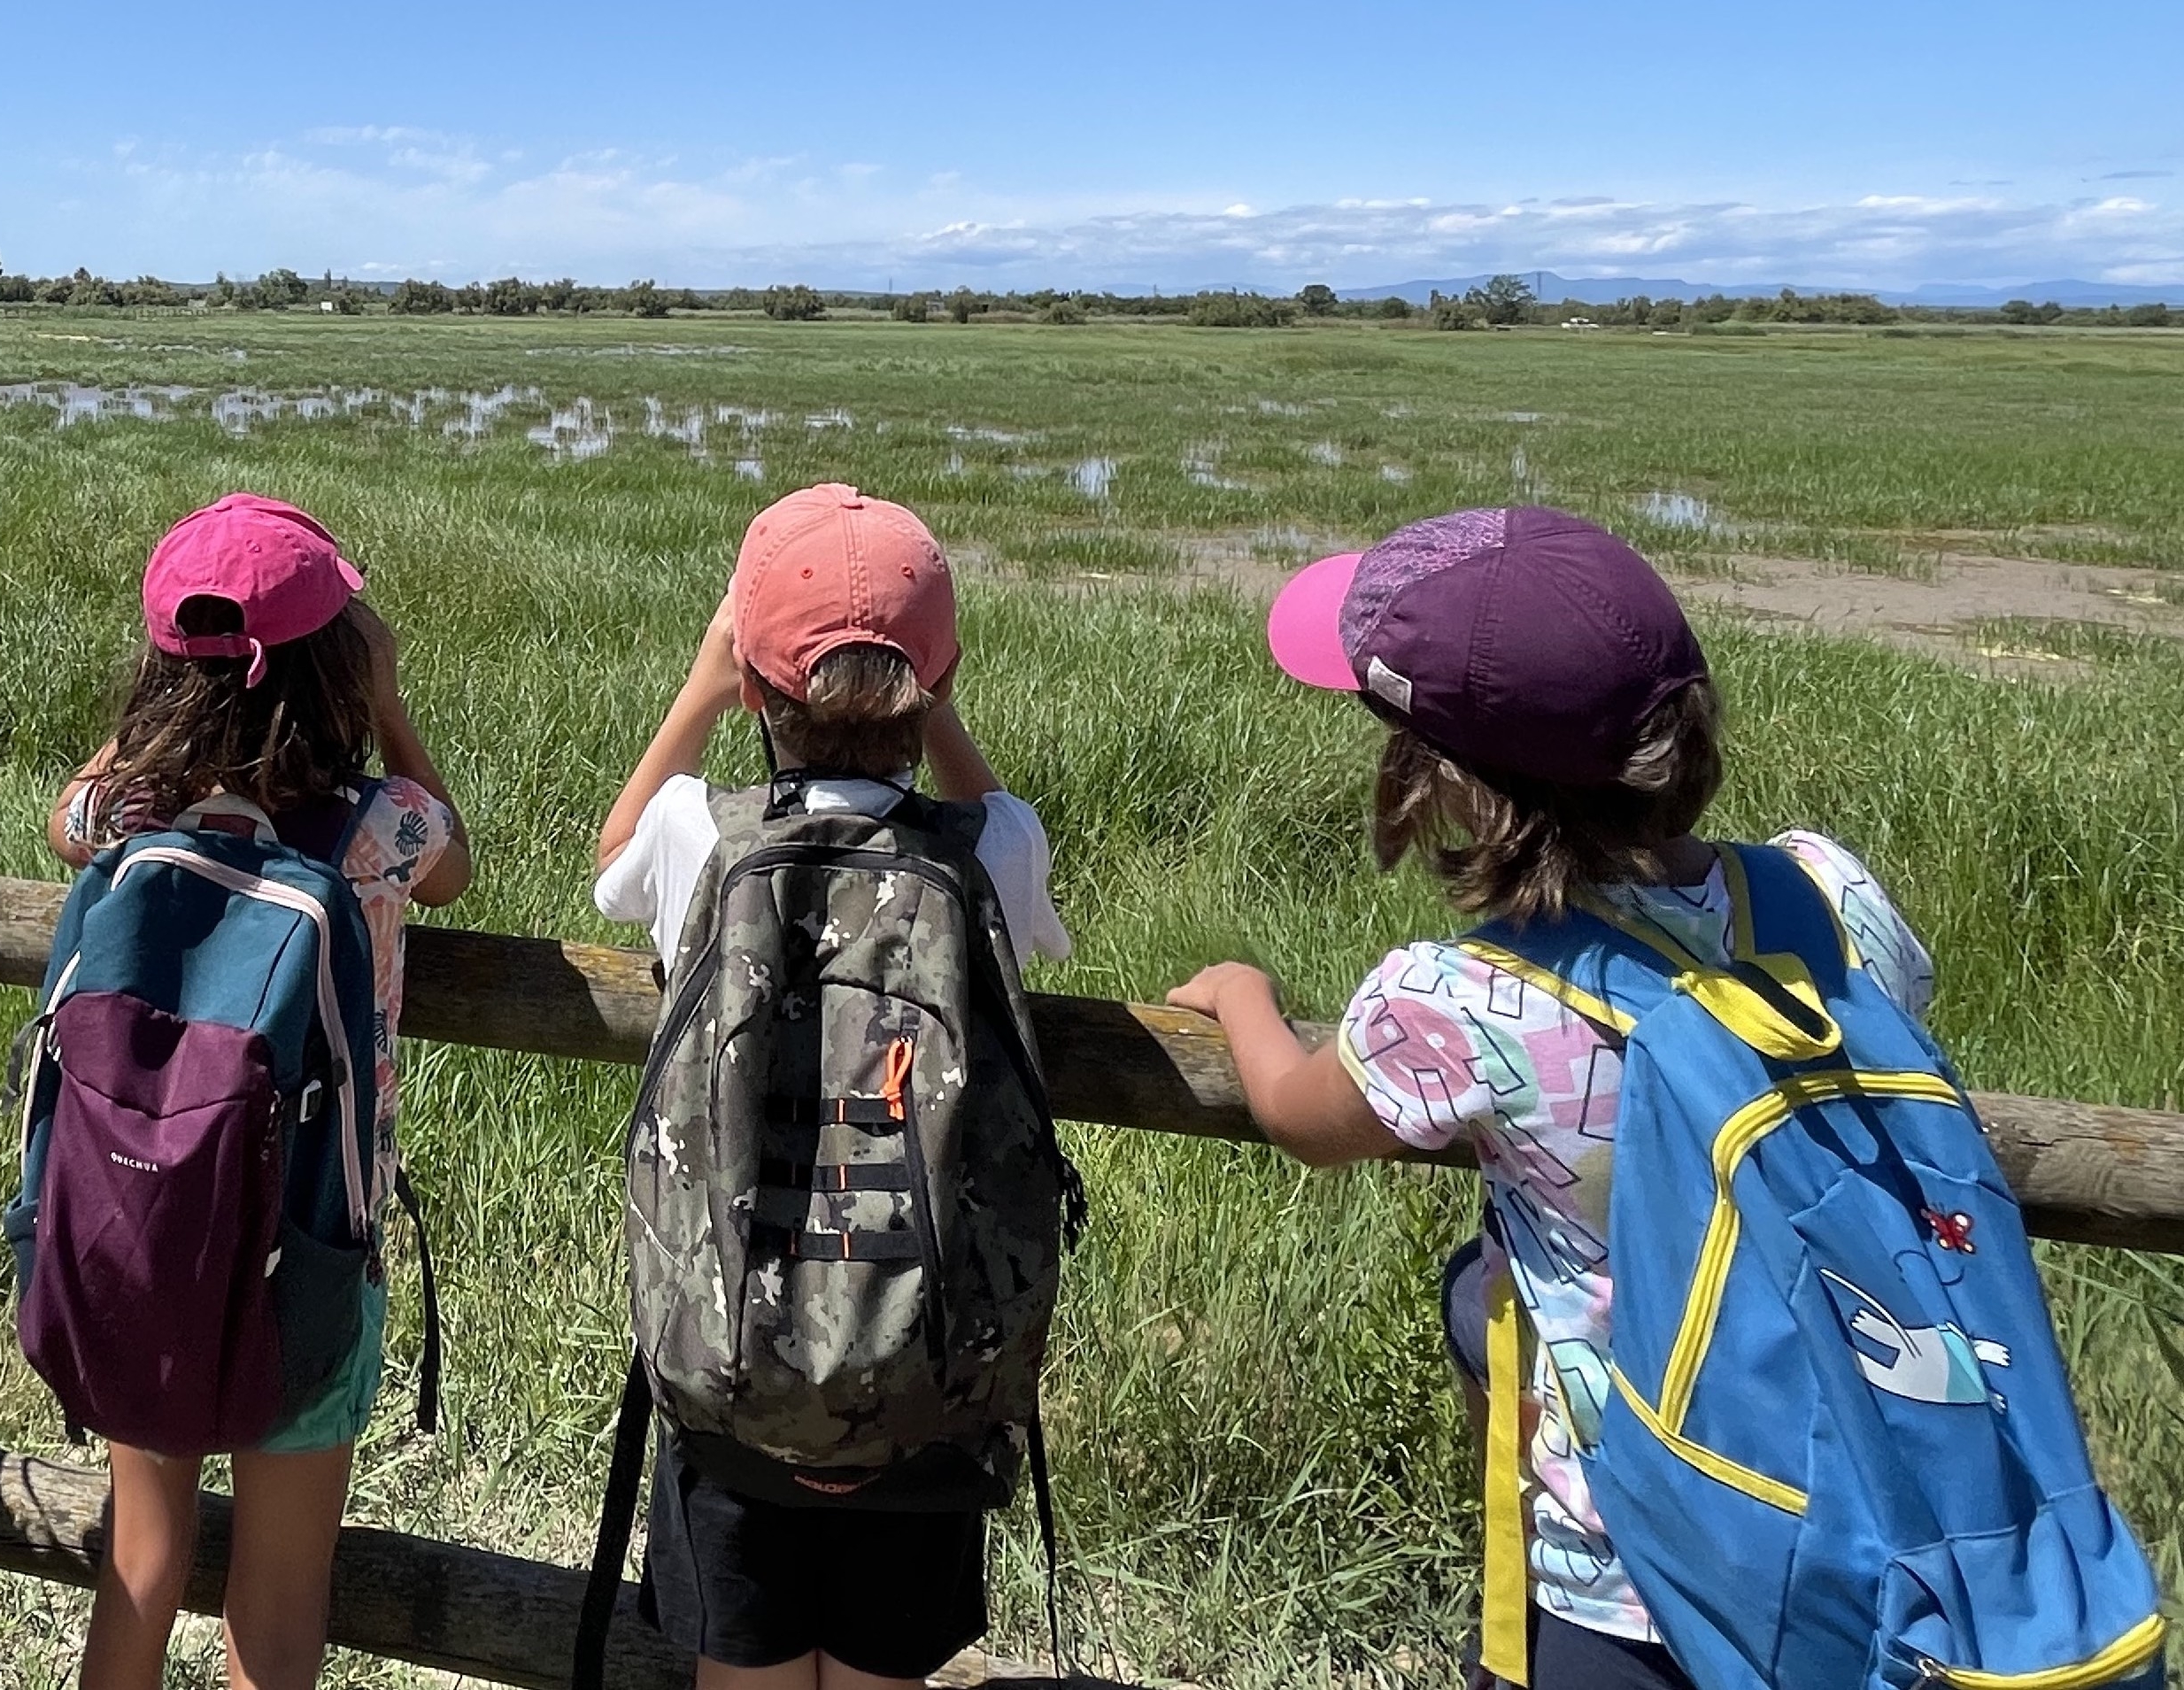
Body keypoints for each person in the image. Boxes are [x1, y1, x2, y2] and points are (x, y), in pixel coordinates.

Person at [1162, 507, 1937, 1689]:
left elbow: (1296, 1117)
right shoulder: (1825, 892)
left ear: (1463, 783)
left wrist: (1240, 995)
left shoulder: (1458, 1001)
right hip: (1870, 1535)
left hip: (1618, 1574)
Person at [590, 482, 1072, 1690]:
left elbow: (612, 863)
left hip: (730, 1367)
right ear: (937, 679)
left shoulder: (700, 835)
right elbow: (993, 818)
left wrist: (705, 680)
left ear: (756, 685)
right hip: (925, 1374)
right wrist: (937, 708)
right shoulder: (990, 852)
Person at [46, 491, 470, 1690]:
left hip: (142, 1218)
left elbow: (66, 813)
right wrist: (387, 700)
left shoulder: (124, 811)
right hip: (313, 1248)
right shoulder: (376, 827)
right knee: (279, 1602)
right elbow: (456, 865)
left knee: (141, 1555)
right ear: (341, 663)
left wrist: (154, 717)